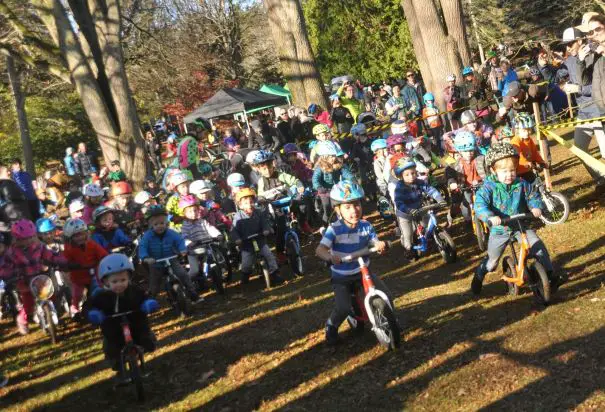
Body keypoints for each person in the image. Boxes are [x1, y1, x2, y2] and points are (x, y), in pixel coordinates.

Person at [471, 143, 559, 294]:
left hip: (520, 225)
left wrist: (535, 206)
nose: (509, 174)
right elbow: (480, 205)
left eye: (512, 170)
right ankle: (479, 275)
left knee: (538, 248)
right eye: (504, 171)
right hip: (500, 229)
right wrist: (490, 217)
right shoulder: (488, 188)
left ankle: (550, 276)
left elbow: (533, 195)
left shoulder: (521, 184)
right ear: (493, 170)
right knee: (492, 262)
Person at [314, 180, 390, 345]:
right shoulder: (334, 229)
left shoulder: (366, 226)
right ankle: (331, 327)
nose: (354, 210)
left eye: (356, 205)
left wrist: (379, 245)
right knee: (343, 308)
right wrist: (329, 257)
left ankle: (388, 321)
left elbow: (374, 241)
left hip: (363, 271)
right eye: (347, 207)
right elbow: (320, 249)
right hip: (342, 275)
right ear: (338, 210)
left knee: (386, 295)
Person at [88, 253, 158, 383]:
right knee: (111, 346)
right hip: (113, 326)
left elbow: (144, 296)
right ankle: (119, 368)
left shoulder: (134, 290)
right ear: (105, 281)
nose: (119, 284)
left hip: (135, 321)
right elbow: (90, 306)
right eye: (114, 281)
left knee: (145, 335)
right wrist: (94, 314)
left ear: (129, 278)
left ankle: (147, 343)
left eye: (123, 280)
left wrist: (148, 303)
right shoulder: (101, 296)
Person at [0, 219, 71, 334]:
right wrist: (8, 274)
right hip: (23, 281)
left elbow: (51, 256)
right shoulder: (11, 252)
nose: (29, 241)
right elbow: (4, 267)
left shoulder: (39, 247)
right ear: (16, 239)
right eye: (24, 239)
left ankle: (52, 316)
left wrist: (62, 261)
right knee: (28, 306)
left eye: (31, 237)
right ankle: (22, 320)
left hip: (40, 279)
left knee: (51, 296)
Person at [138, 205, 200, 302]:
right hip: (155, 262)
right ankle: (150, 302)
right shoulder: (147, 236)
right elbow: (142, 247)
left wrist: (182, 249)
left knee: (183, 274)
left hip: (171, 258)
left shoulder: (171, 233)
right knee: (154, 284)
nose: (160, 226)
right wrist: (145, 257)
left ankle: (193, 294)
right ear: (150, 225)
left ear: (166, 223)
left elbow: (179, 240)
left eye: (162, 223)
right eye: (156, 224)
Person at [571, 15, 605, 190]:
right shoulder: (591, 52)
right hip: (594, 110)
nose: (592, 35)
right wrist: (581, 61)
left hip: (598, 111)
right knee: (579, 148)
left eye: (596, 30)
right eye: (588, 32)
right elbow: (585, 81)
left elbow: (582, 87)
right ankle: (601, 178)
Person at [392, 157, 446, 258]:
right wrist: (408, 210)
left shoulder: (419, 182)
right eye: (407, 175)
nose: (411, 176)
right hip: (405, 214)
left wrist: (440, 199)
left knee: (427, 223)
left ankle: (433, 238)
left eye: (413, 173)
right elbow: (399, 202)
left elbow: (430, 190)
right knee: (408, 233)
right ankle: (408, 249)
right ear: (400, 176)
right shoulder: (400, 188)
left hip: (419, 209)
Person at [230, 188, 283, 285]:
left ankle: (275, 273)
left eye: (251, 202)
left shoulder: (258, 212)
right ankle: (245, 276)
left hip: (260, 240)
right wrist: (237, 238)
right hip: (246, 244)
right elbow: (234, 230)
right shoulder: (238, 217)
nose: (249, 205)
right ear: (240, 205)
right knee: (246, 262)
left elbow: (264, 222)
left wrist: (266, 229)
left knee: (269, 255)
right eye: (246, 203)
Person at [63, 218, 108, 315]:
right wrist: (71, 265)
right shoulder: (69, 249)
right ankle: (74, 307)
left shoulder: (91, 244)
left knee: (101, 289)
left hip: (95, 274)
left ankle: (101, 307)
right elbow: (65, 261)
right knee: (77, 294)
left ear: (86, 233)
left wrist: (105, 258)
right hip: (78, 277)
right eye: (76, 236)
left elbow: (102, 253)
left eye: (82, 234)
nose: (80, 237)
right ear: (70, 237)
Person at [445, 131, 487, 226]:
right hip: (465, 188)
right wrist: (452, 182)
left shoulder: (481, 159)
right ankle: (463, 220)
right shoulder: (456, 165)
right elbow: (450, 174)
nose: (468, 153)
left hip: (481, 186)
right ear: (459, 151)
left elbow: (488, 170)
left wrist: (487, 179)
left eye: (471, 150)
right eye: (465, 151)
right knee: (464, 206)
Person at [312, 141, 355, 226]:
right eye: (331, 156)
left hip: (337, 188)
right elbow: (315, 178)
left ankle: (345, 222)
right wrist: (318, 187)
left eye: (334, 156)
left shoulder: (338, 164)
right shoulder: (320, 167)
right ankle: (325, 225)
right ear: (324, 157)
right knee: (327, 206)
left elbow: (345, 173)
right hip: (324, 191)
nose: (333, 158)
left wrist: (352, 179)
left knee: (342, 204)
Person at [510, 112, 548, 183]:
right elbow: (518, 155)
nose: (527, 133)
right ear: (517, 130)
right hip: (519, 172)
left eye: (529, 130)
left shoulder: (529, 140)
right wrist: (525, 163)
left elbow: (534, 152)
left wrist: (541, 162)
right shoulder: (515, 141)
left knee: (536, 184)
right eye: (524, 130)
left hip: (528, 170)